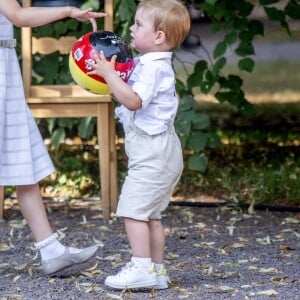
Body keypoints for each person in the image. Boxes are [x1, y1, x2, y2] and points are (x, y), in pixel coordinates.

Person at [87, 0, 190, 290]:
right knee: (151, 216)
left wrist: (108, 75)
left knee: (132, 210)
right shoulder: (150, 64)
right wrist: (108, 75)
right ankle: (157, 271)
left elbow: (133, 100)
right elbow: (128, 95)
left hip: (153, 153)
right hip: (161, 150)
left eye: (138, 24)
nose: (131, 28)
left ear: (159, 37)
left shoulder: (152, 69)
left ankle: (141, 267)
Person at [0, 0, 106, 276]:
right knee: (22, 161)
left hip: (5, 69)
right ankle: (51, 251)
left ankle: (51, 251)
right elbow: (18, 15)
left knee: (24, 163)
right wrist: (69, 12)